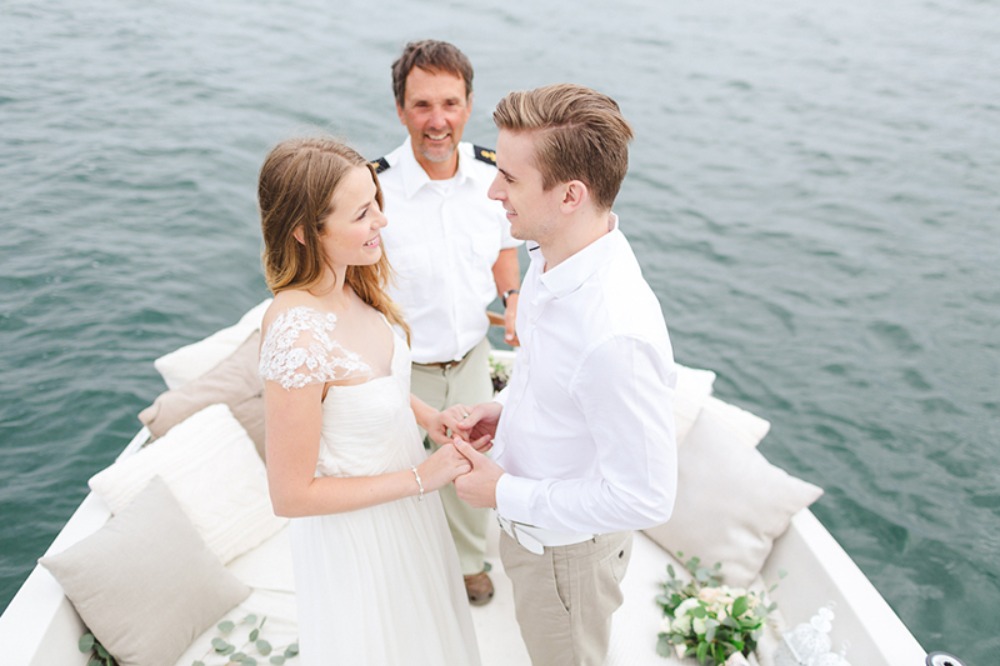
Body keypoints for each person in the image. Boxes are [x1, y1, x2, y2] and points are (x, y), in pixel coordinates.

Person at [452, 84, 679, 666]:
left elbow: (647, 498)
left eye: (510, 177)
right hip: (538, 535)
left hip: (563, 560)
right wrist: (508, 417)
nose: (493, 190)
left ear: (571, 195)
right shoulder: (554, 258)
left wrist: (504, 491)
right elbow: (563, 390)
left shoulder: (614, 333)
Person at [256, 136, 482, 665]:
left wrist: (431, 418)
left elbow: (371, 389)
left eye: (377, 201)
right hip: (359, 540)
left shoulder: (353, 283)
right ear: (304, 231)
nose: (382, 219)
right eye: (363, 212)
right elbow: (290, 496)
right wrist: (424, 478)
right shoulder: (297, 335)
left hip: (408, 514)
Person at [371, 39, 522, 605]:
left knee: (470, 468)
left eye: (451, 104)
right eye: (422, 105)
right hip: (398, 370)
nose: (438, 121)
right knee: (398, 478)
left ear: (469, 103)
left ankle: (466, 564)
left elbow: (504, 251)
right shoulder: (373, 187)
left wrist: (512, 297)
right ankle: (402, 572)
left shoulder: (494, 176)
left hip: (472, 357)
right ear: (400, 109)